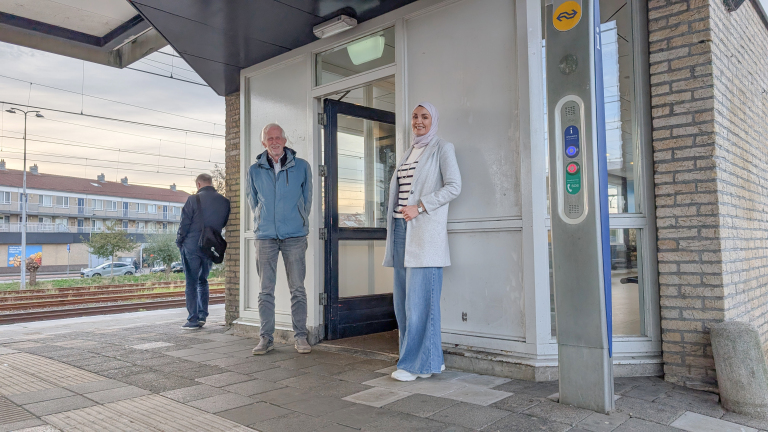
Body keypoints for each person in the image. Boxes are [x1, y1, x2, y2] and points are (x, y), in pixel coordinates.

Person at [383, 103, 461, 381]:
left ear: (433, 120)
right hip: (400, 230)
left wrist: (421, 206)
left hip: (424, 233)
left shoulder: (442, 148)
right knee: (404, 302)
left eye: (424, 116)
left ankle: (412, 366)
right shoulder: (409, 151)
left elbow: (454, 186)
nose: (418, 121)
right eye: (415, 116)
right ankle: (428, 361)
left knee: (420, 303)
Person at [247, 123, 313, 355]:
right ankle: (266, 338)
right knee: (265, 290)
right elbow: (253, 201)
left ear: (285, 141)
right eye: (269, 138)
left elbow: (307, 198)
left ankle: (301, 336)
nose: (274, 142)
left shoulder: (302, 166)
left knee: (298, 289)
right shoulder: (254, 170)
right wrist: (263, 222)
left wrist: (299, 220)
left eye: (278, 138)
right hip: (265, 236)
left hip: (295, 235)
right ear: (263, 142)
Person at [176, 173, 230, 329]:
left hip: (192, 246)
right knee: (203, 280)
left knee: (191, 282)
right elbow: (223, 223)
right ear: (210, 183)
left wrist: (180, 241)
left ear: (198, 184)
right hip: (209, 246)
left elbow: (184, 224)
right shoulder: (224, 201)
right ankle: (202, 316)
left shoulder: (193, 199)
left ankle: (192, 319)